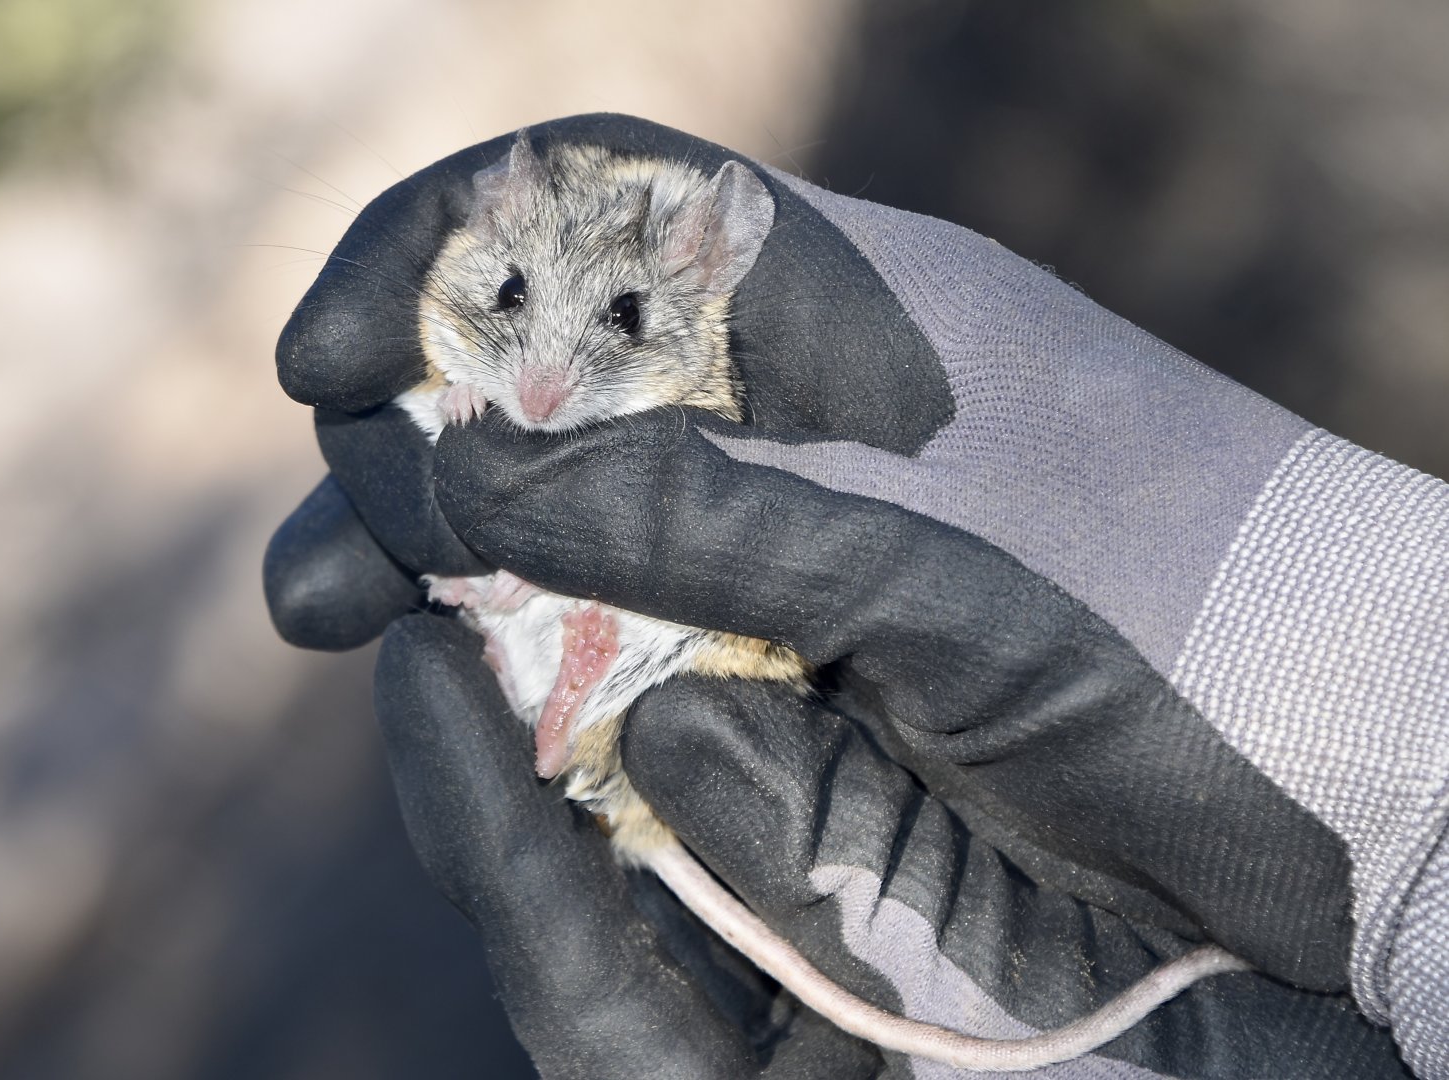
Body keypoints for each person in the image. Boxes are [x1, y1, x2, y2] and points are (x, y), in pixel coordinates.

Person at [263, 114, 1447, 1079]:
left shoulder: (701, 355)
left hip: (667, 662)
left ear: (688, 287)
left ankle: (586, 697)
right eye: (517, 305)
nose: (544, 375)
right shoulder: (462, 310)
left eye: (616, 321)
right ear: (494, 232)